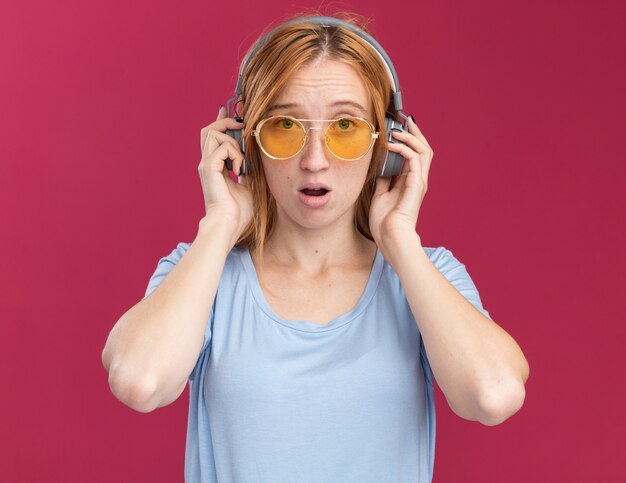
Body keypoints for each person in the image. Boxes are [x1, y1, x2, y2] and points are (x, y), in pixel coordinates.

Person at [102, 12, 529, 483]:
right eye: (285, 125)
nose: (315, 160)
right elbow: (138, 382)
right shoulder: (202, 273)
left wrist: (400, 239)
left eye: (345, 126)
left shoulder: (427, 276)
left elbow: (494, 395)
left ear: (387, 144)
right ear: (247, 139)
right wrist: (220, 223)